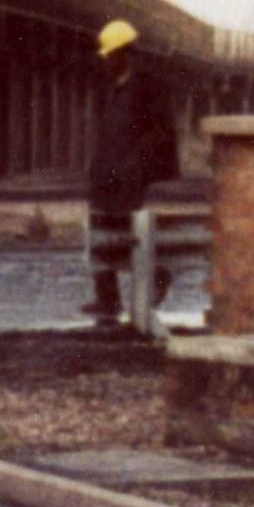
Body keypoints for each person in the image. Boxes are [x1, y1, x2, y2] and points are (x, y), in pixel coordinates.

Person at [85, 18, 179, 321]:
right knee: (99, 231)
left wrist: (136, 164)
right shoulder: (110, 87)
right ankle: (107, 299)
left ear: (125, 53)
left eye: (112, 56)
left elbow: (161, 132)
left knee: (125, 233)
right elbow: (106, 132)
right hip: (107, 173)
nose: (107, 62)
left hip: (131, 175)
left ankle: (157, 275)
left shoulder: (148, 87)